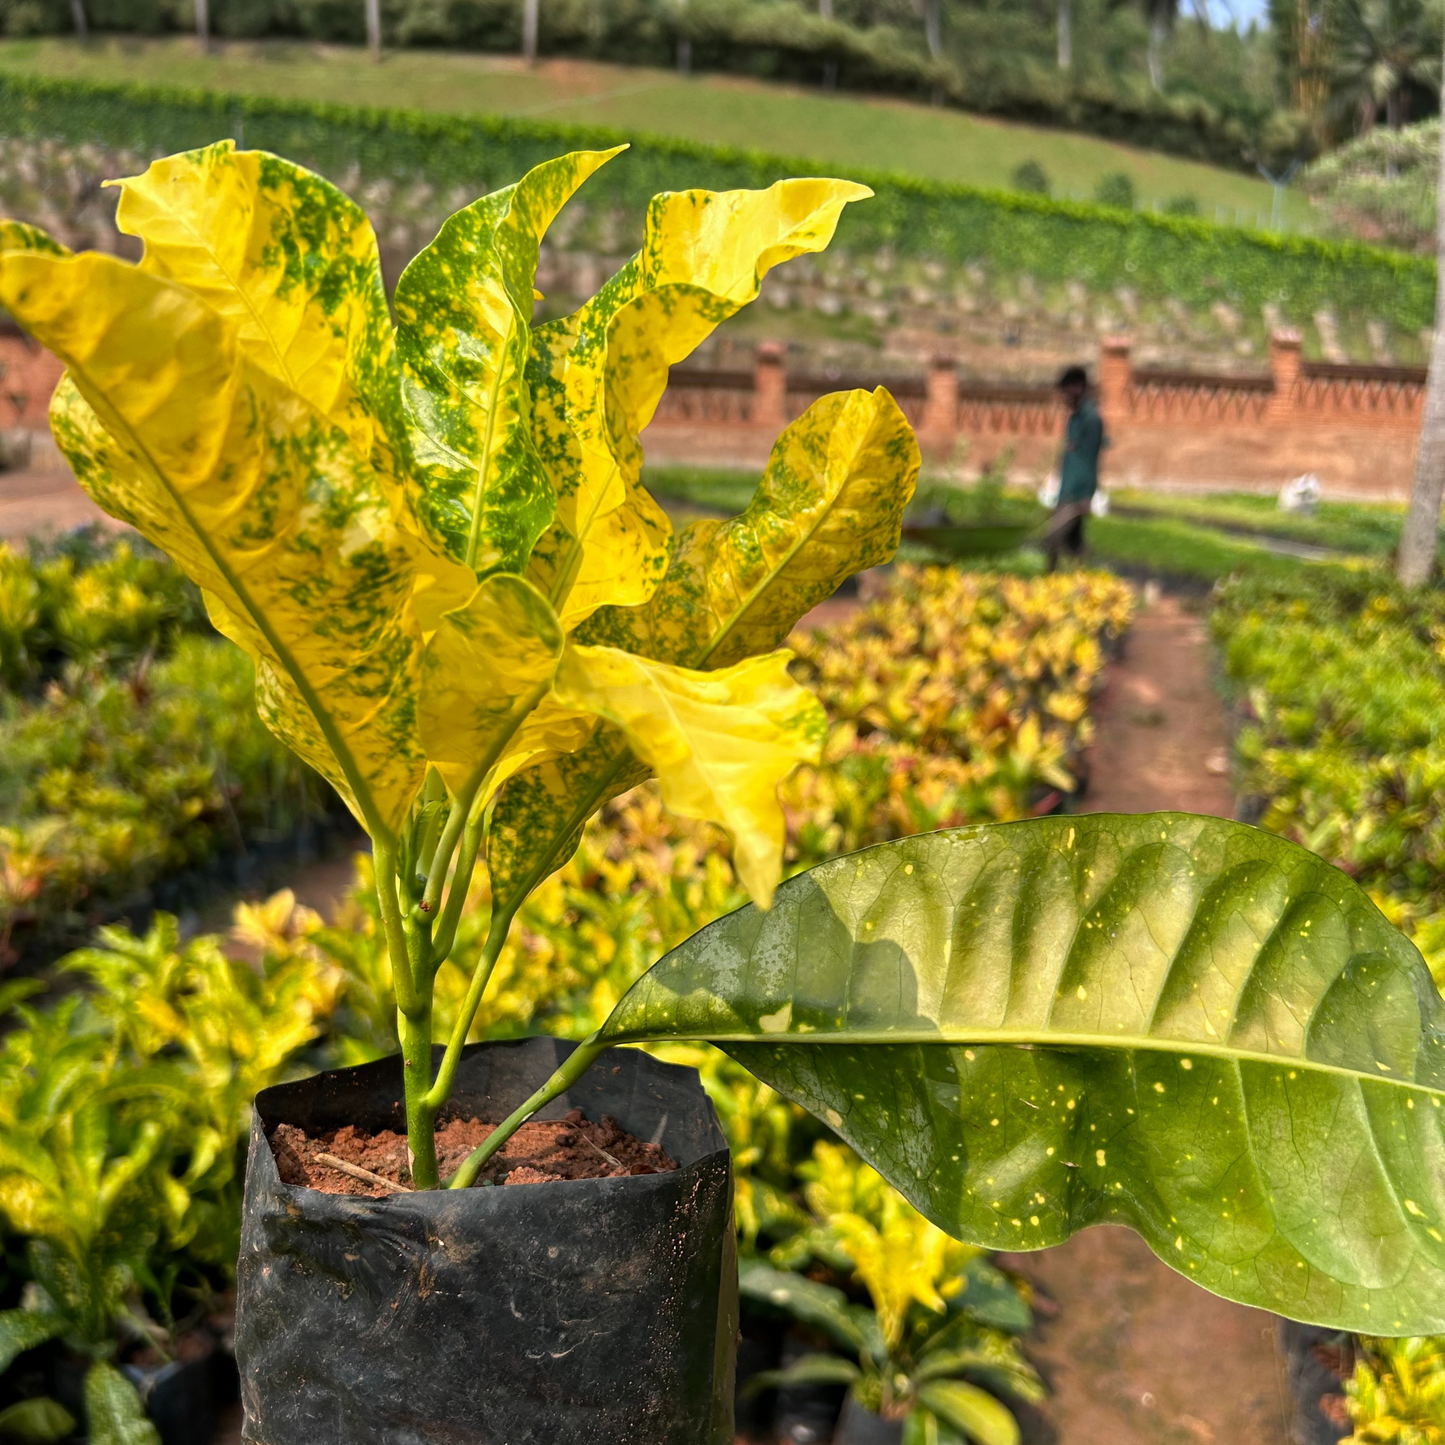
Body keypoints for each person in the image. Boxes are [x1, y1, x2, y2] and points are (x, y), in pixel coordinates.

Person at [1044, 364, 1105, 572]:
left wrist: (1086, 496)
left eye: (1066, 390)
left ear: (1078, 388)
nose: (1063, 396)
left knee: (1052, 537)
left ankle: (1050, 582)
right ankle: (1084, 583)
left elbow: (1090, 458)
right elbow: (1069, 455)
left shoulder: (1092, 419)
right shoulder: (1075, 418)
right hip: (1066, 490)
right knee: (1074, 544)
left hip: (1077, 494)